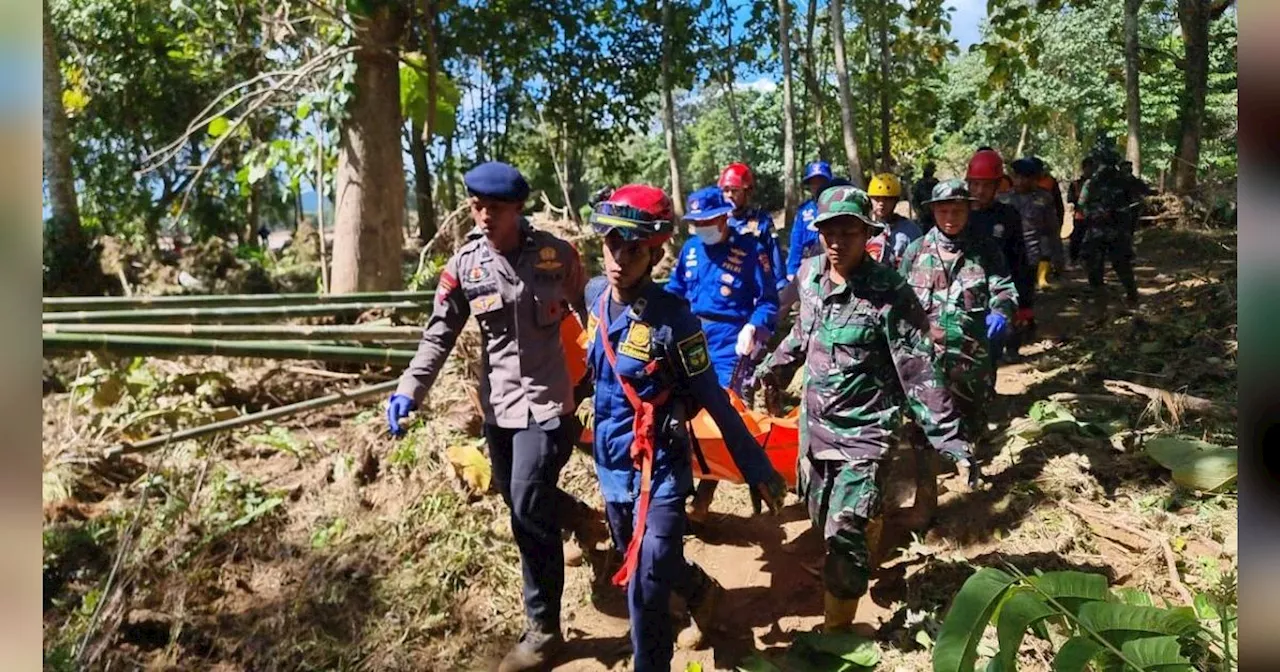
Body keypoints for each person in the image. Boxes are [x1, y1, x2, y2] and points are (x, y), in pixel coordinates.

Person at [385, 161, 607, 672]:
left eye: (497, 209)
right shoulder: (465, 266)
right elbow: (439, 333)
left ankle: (544, 631)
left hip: (552, 404)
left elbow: (591, 309)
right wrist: (409, 390)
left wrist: (608, 371)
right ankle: (579, 519)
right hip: (499, 407)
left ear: (518, 209)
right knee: (518, 497)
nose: (485, 216)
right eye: (477, 206)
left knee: (527, 505)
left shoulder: (557, 254)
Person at [754, 184, 978, 632]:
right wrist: (772, 370)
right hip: (816, 432)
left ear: (867, 234)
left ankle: (837, 630)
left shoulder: (888, 290)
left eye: (849, 232)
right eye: (828, 232)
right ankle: (866, 526)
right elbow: (803, 334)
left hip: (867, 434)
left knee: (842, 535)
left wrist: (951, 437)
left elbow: (917, 368)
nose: (837, 242)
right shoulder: (811, 275)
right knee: (821, 517)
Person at [584, 184, 787, 669]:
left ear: (654, 252)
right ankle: (700, 591)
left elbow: (714, 400)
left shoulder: (674, 321)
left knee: (646, 579)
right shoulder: (593, 298)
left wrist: (756, 467)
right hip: (612, 464)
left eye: (632, 249)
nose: (619, 259)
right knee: (640, 553)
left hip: (662, 465)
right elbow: (588, 374)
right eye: (611, 244)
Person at [666, 185, 780, 521]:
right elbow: (674, 292)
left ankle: (712, 498)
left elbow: (769, 301)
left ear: (723, 217)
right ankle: (685, 490)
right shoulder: (689, 250)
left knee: (725, 414)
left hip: (731, 340)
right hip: (690, 336)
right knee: (685, 417)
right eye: (696, 222)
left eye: (709, 220)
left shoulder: (750, 249)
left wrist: (754, 327)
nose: (703, 227)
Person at [899, 179, 1018, 487]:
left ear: (969, 210)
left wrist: (1000, 312)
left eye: (957, 210)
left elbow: (1004, 289)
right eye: (943, 210)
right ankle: (927, 482)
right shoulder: (916, 251)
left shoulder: (986, 250)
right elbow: (898, 300)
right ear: (933, 212)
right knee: (923, 420)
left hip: (971, 356)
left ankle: (969, 473)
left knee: (972, 419)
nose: (950, 217)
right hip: (926, 357)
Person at [966, 148, 1034, 363]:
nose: (980, 191)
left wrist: (1024, 304)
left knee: (994, 349)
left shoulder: (1007, 216)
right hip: (965, 294)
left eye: (986, 185)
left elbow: (1019, 261)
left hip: (999, 291)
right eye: (975, 184)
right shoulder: (958, 214)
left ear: (997, 186)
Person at [1079, 140, 1141, 315]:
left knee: (1121, 266)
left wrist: (1124, 221)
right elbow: (1082, 206)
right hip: (1100, 231)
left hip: (1115, 231)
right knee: (1096, 268)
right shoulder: (1093, 183)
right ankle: (1103, 305)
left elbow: (1135, 204)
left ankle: (1130, 298)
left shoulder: (1121, 182)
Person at [720, 162, 787, 293]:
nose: (729, 195)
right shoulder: (719, 222)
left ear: (747, 192)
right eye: (726, 190)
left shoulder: (762, 221)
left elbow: (775, 256)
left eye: (734, 190)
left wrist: (780, 286)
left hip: (757, 289)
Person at [1005, 157, 1059, 291]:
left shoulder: (1044, 198)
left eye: (1025, 178)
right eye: (1017, 177)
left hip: (1033, 255)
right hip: (1009, 254)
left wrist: (1057, 258)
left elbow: (1051, 229)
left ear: (1034, 179)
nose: (1020, 181)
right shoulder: (1003, 199)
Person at [787, 161, 833, 282]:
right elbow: (796, 242)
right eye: (814, 182)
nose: (817, 186)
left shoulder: (838, 207)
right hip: (810, 265)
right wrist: (792, 270)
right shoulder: (804, 211)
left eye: (821, 181)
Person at [865, 173, 923, 267]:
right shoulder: (862, 228)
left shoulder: (911, 230)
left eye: (887, 199)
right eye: (876, 198)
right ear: (870, 199)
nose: (881, 203)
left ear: (896, 201)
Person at [1066, 157, 1098, 267]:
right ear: (1084, 168)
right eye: (1089, 168)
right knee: (1076, 237)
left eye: (1093, 168)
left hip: (1095, 216)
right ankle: (1073, 259)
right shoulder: (1076, 184)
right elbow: (1071, 199)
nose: (1091, 170)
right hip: (1080, 216)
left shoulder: (1098, 183)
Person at [910, 161, 939, 231]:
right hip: (923, 217)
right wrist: (919, 212)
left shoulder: (936, 183)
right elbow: (915, 201)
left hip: (934, 216)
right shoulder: (919, 184)